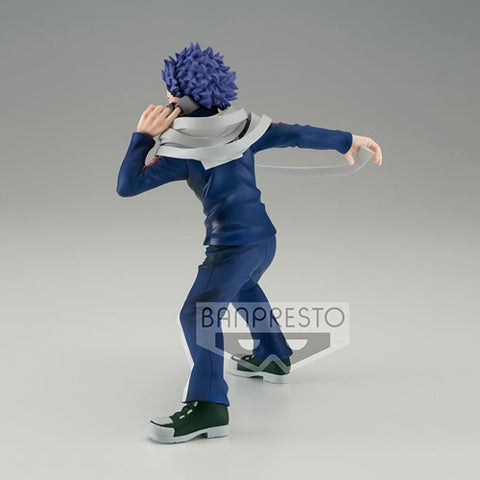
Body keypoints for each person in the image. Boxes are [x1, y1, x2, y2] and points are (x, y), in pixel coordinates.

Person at [116, 41, 382, 444]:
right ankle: (273, 355)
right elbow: (298, 133)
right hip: (264, 240)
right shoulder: (247, 129)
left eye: (170, 93)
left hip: (231, 247)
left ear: (183, 100)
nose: (166, 100)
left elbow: (127, 185)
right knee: (244, 287)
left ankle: (208, 406)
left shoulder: (181, 153)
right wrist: (348, 140)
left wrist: (142, 136)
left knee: (197, 315)